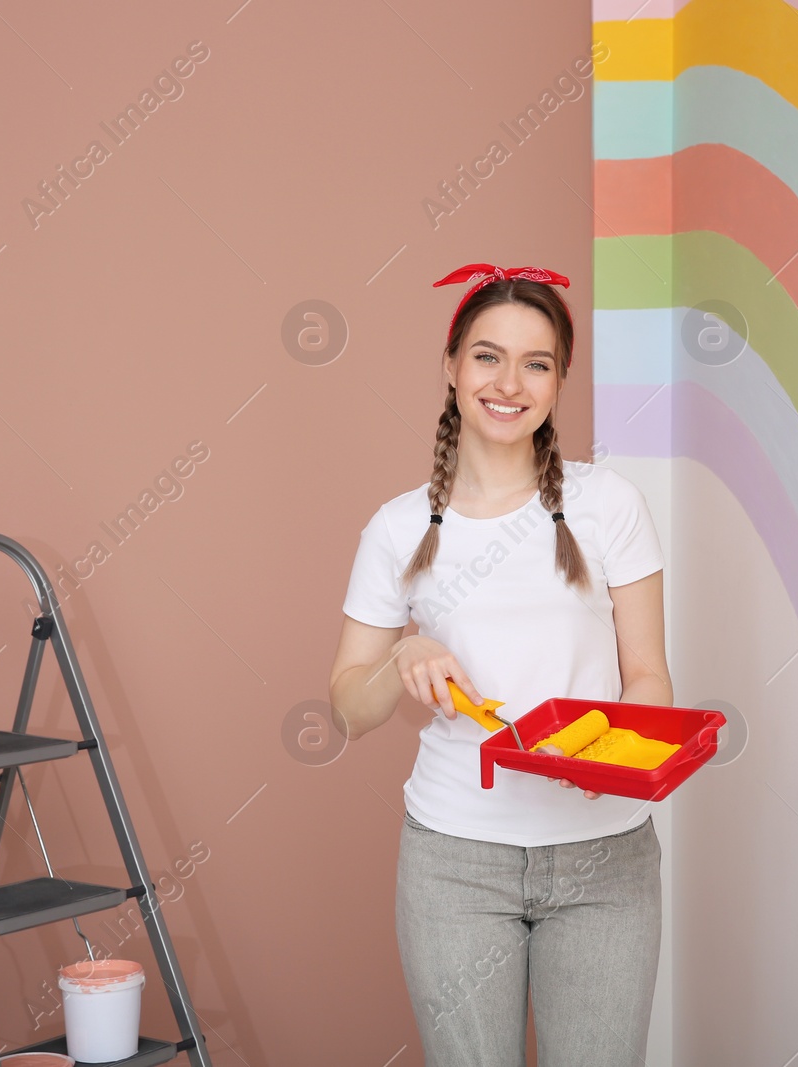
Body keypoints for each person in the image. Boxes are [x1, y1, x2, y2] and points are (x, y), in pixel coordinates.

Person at [327, 263, 672, 1066]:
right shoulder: (396, 527)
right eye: (487, 356)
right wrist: (404, 655)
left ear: (559, 381)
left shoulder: (608, 504)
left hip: (605, 856)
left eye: (536, 362)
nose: (509, 382)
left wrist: (617, 756)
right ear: (451, 366)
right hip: (455, 862)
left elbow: (649, 675)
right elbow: (348, 706)